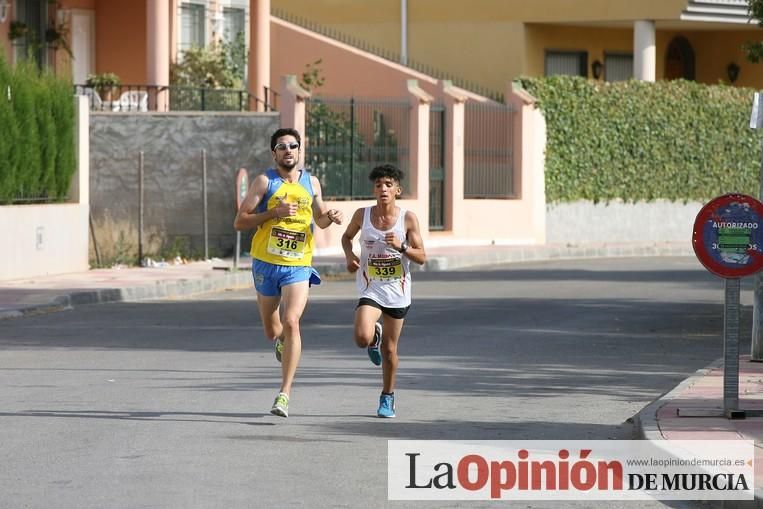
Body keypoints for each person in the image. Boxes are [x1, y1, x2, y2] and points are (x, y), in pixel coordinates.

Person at [234, 127, 343, 418]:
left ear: (299, 151)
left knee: (292, 321)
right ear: (274, 153)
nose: (288, 151)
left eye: (293, 146)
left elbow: (319, 220)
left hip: (297, 264)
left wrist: (329, 217)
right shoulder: (264, 182)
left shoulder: (312, 182)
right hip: (265, 264)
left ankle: (284, 393)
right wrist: (273, 213)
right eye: (282, 147)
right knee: (273, 332)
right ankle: (281, 343)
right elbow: (240, 221)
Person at [341, 164, 426, 418]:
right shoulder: (362, 215)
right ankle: (372, 337)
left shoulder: (407, 219)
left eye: (388, 185)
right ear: (374, 190)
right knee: (361, 338)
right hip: (371, 288)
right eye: (379, 185)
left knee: (390, 351)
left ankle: (387, 396)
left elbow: (422, 257)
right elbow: (346, 238)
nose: (383, 189)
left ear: (397, 190)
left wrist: (401, 247)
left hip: (398, 292)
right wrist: (349, 256)